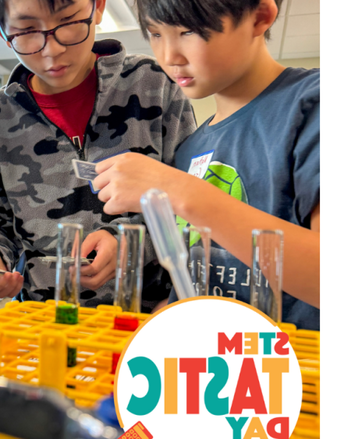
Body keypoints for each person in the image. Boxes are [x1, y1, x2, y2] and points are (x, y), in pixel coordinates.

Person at [93, 0, 320, 329]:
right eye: (155, 34)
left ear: (259, 18)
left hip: (288, 370)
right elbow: (196, 285)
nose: (169, 56)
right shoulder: (191, 149)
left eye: (189, 31)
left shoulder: (312, 105)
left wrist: (178, 189)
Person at [0, 0, 196, 310]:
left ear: (97, 7)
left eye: (69, 21)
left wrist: (131, 245)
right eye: (28, 31)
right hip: (44, 321)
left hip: (148, 317)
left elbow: (193, 205)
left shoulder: (154, 85)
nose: (52, 50)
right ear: (2, 29)